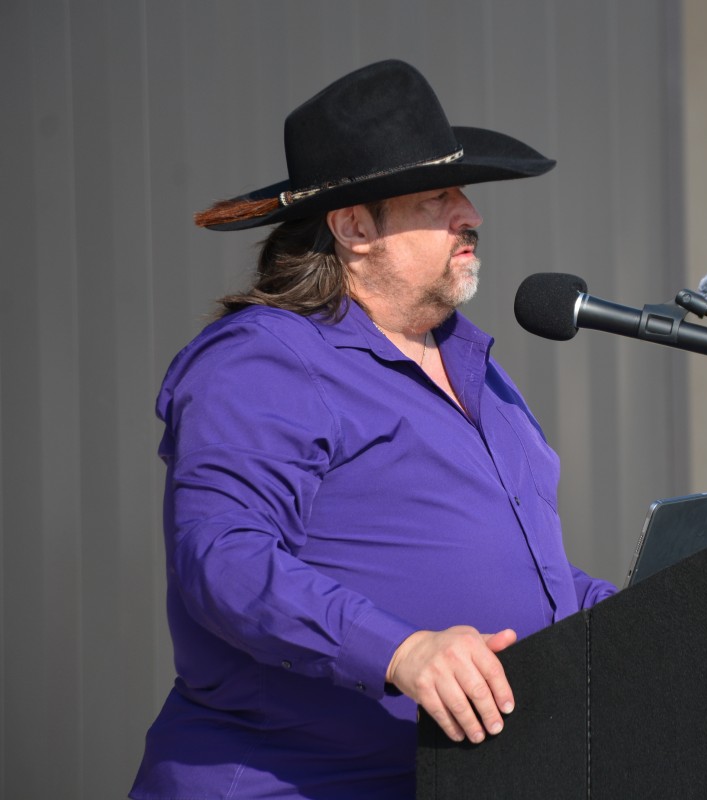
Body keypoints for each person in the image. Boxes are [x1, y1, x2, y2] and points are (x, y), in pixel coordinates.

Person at [130, 59, 617, 799]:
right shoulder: (264, 360)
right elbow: (222, 559)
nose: (471, 215)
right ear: (355, 227)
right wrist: (400, 651)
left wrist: (644, 617)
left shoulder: (473, 363)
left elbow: (522, 575)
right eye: (439, 197)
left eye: (465, 194)